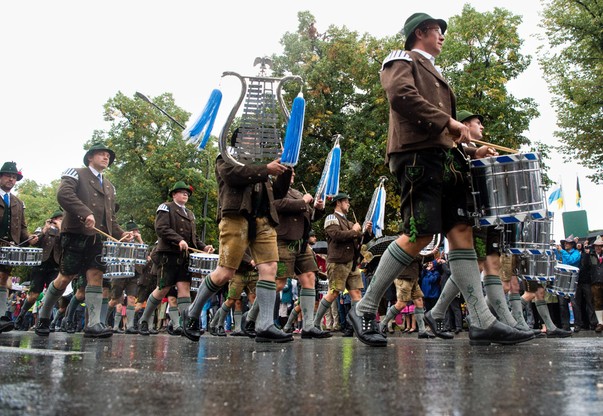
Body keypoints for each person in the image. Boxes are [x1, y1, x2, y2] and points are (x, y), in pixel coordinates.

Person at [348, 13, 533, 347]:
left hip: (444, 159)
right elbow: (401, 96)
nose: (443, 36)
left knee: (460, 232)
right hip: (417, 157)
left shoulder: (431, 68)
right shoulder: (401, 59)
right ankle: (366, 305)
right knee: (419, 234)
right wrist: (449, 123)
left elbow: (445, 131)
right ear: (420, 33)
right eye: (438, 30)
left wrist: (468, 151)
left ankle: (481, 320)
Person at [184, 155, 293, 343]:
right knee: (225, 272)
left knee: (270, 268)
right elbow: (231, 176)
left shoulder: (261, 163)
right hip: (235, 216)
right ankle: (192, 312)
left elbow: (277, 193)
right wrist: (266, 168)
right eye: (249, 135)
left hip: (264, 219)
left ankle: (265, 324)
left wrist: (286, 169)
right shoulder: (225, 157)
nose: (254, 139)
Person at [35, 143, 132, 338]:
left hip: (97, 238)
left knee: (96, 276)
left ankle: (93, 324)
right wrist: (85, 213)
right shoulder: (75, 173)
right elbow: (64, 195)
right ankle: (44, 316)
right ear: (90, 157)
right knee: (65, 277)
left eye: (108, 156)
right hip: (75, 234)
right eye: (102, 154)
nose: (106, 158)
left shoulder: (110, 186)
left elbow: (110, 217)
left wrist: (121, 233)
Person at [138, 181, 214, 336]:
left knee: (184, 289)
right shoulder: (165, 207)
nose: (185, 194)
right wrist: (178, 240)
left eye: (187, 193)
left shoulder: (190, 214)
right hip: (168, 255)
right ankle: (144, 320)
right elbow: (161, 228)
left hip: (184, 257)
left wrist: (204, 247)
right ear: (174, 194)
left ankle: (186, 325)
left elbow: (193, 238)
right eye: (182, 192)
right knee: (163, 289)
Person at [273, 170, 330, 339]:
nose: (293, 175)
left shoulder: (297, 192)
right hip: (283, 240)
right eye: (290, 173)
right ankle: (253, 319)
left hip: (302, 242)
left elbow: (309, 216)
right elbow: (277, 205)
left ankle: (308, 326)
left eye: (292, 173)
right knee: (279, 282)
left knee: (309, 279)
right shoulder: (274, 188)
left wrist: (318, 209)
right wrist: (303, 201)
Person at [313, 192, 372, 331]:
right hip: (338, 262)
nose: (349, 204)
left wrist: (368, 232)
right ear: (338, 203)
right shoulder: (331, 218)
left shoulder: (349, 222)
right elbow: (336, 235)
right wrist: (355, 231)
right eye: (346, 201)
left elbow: (360, 240)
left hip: (351, 262)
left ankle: (357, 326)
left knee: (356, 293)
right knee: (333, 292)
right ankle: (315, 324)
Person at [0, 161, 39, 333]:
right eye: (8, 175)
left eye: (14, 177)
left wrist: (30, 238)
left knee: (3, 280)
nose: (11, 179)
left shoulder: (17, 202)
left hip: (9, 248)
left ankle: (1, 316)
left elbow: (22, 228)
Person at [15, 210, 63, 330]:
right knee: (33, 295)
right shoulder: (42, 229)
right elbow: (34, 242)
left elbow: (67, 243)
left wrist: (61, 228)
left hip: (56, 266)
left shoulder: (65, 232)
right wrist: (44, 229)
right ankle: (21, 315)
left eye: (62, 219)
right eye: (57, 219)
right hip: (40, 265)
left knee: (53, 294)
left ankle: (45, 320)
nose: (59, 221)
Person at [106, 220, 144, 334]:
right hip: (120, 272)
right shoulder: (120, 240)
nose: (135, 233)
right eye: (133, 231)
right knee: (115, 299)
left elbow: (143, 255)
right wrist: (123, 238)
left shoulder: (138, 243)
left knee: (132, 298)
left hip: (134, 273)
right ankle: (103, 320)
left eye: (136, 231)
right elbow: (113, 251)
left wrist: (140, 240)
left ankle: (130, 325)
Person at [555, 235, 581, 331]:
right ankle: (565, 325)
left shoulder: (576, 253)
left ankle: (578, 324)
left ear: (572, 245)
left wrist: (561, 251)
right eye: (565, 243)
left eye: (568, 243)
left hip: (573, 281)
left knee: (574, 303)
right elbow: (557, 261)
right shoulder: (562, 253)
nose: (566, 244)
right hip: (562, 280)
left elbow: (571, 261)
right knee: (562, 304)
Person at [583, 236, 603, 332]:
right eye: (596, 246)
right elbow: (585, 266)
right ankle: (600, 323)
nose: (598, 248)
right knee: (597, 302)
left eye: (600, 246)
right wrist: (586, 255)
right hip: (595, 282)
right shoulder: (590, 255)